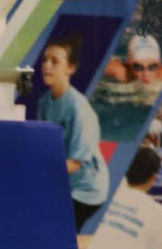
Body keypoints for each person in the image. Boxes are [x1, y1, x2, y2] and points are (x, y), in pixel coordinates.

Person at [36, 35, 109, 232]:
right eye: (45, 60)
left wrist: (36, 173)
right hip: (66, 185)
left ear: (71, 68)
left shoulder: (79, 108)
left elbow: (76, 163)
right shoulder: (44, 103)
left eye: (55, 61)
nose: (47, 66)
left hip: (87, 190)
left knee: (57, 233)